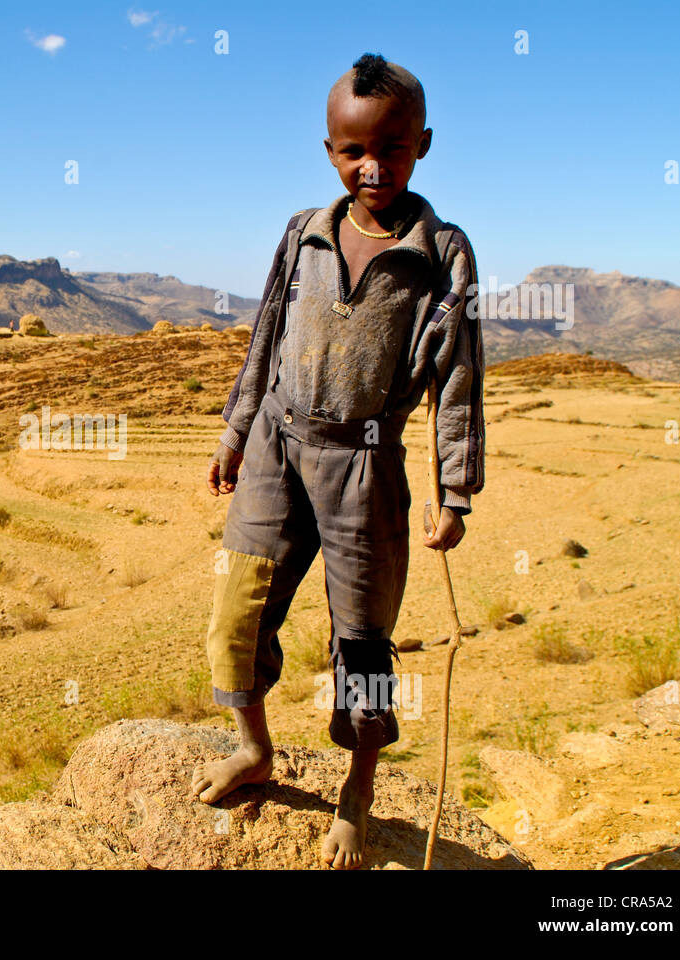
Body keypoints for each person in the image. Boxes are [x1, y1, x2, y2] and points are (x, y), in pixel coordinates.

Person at [193, 52, 485, 870]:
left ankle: (356, 789)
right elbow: (265, 338)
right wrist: (235, 429)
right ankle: (255, 751)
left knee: (361, 644)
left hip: (365, 468)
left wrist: (453, 491)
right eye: (354, 150)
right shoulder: (304, 232)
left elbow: (458, 377)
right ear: (328, 150)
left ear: (422, 144)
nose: (373, 166)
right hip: (277, 452)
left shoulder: (442, 251)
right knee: (236, 617)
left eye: (392, 148)